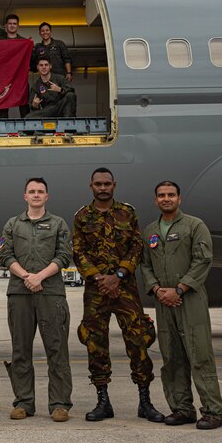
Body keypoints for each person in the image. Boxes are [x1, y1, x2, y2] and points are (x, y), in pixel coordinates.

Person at [72, 168, 165, 423]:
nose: (103, 188)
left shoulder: (128, 212)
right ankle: (103, 401)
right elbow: (78, 251)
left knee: (138, 341)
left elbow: (137, 246)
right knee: (95, 343)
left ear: (114, 185)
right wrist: (98, 278)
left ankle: (145, 401)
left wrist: (119, 276)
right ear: (91, 186)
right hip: (96, 290)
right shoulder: (82, 216)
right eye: (98, 184)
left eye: (107, 184)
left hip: (125, 288)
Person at [140, 181, 222, 430]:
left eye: (171, 195)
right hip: (163, 301)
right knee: (172, 357)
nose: (166, 199)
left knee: (199, 355)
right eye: (162, 196)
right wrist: (157, 290)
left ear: (179, 198)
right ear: (155, 200)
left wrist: (179, 289)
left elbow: (203, 260)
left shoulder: (194, 226)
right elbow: (145, 264)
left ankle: (212, 411)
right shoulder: (151, 231)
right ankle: (182, 409)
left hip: (189, 299)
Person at [0, 177, 74, 422]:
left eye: (40, 191)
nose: (36, 195)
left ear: (47, 196)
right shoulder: (12, 224)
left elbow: (64, 256)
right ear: (25, 196)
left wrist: (40, 277)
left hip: (50, 293)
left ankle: (60, 404)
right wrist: (26, 276)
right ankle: (23, 402)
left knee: (57, 350)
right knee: (21, 350)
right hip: (20, 293)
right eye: (32, 191)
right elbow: (5, 255)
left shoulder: (58, 224)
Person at [0, 13, 31, 120]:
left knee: (24, 105)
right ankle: (1, 131)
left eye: (14, 23)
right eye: (10, 23)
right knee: (1, 106)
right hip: (2, 79)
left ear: (18, 26)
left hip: (19, 79)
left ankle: (27, 129)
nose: (12, 25)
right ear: (5, 25)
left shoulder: (24, 42)